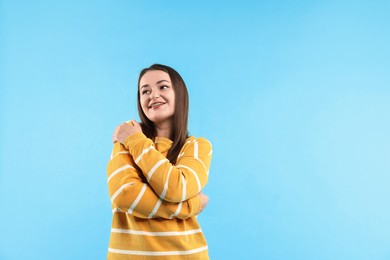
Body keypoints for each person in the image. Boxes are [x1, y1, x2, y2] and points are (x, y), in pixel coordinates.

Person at [106, 64, 213, 259]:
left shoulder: (197, 146)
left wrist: (135, 140)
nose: (153, 95)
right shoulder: (127, 137)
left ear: (179, 94)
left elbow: (176, 188)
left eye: (163, 87)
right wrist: (190, 206)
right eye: (145, 91)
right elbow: (125, 195)